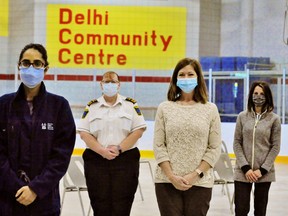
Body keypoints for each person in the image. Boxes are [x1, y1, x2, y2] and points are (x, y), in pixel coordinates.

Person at [0, 43, 76, 216]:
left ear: (46, 69)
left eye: (37, 63)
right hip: (8, 199)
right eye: (26, 63)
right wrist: (17, 187)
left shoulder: (59, 107)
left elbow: (61, 156)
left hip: (44, 200)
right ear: (19, 67)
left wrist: (35, 188)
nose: (31, 68)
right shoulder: (3, 105)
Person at [153, 57, 222, 216]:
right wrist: (171, 176)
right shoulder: (165, 108)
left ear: (198, 78)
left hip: (200, 183)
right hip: (167, 183)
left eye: (190, 74)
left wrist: (195, 174)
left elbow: (214, 148)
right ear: (175, 79)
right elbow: (159, 146)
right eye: (182, 75)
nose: (186, 78)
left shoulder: (210, 109)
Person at [77, 71, 146, 216]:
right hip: (97, 161)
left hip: (125, 160)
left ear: (119, 85)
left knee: (123, 204)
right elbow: (84, 133)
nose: (109, 84)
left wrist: (119, 149)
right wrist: (102, 151)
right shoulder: (91, 107)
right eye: (106, 82)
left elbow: (138, 130)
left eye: (113, 82)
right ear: (101, 85)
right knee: (99, 203)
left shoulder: (130, 105)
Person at [233, 80, 281, 216]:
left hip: (264, 174)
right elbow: (237, 143)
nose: (258, 96)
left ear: (267, 97)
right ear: (251, 95)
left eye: (262, 93)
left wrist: (262, 170)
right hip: (243, 172)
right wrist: (246, 168)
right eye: (255, 93)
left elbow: (275, 146)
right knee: (241, 210)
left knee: (260, 211)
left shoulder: (274, 119)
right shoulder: (242, 117)